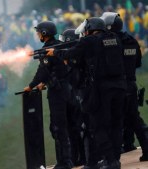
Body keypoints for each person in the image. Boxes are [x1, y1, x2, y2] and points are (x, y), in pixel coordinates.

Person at [47, 17, 126, 169]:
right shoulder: (114, 38)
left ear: (91, 28)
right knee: (116, 125)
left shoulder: (88, 41)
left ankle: (111, 160)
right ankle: (114, 159)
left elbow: (71, 54)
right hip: (120, 86)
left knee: (97, 126)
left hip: (102, 89)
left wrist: (55, 52)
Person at [24, 21, 74, 169]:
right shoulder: (59, 45)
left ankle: (64, 163)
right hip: (68, 90)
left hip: (58, 93)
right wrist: (43, 82)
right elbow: (56, 69)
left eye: (39, 32)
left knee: (59, 128)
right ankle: (70, 159)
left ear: (45, 33)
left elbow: (43, 71)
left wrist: (31, 85)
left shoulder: (48, 49)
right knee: (69, 126)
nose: (38, 34)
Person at [101, 12, 148, 162]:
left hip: (117, 86)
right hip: (131, 85)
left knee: (115, 121)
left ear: (109, 26)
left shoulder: (111, 42)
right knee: (135, 120)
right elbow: (137, 63)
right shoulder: (132, 41)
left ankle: (113, 159)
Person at [60, 29, 86, 166]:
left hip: (78, 97)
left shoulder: (75, 59)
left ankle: (82, 158)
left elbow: (75, 80)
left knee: (78, 129)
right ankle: (78, 158)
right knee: (75, 130)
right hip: (76, 97)